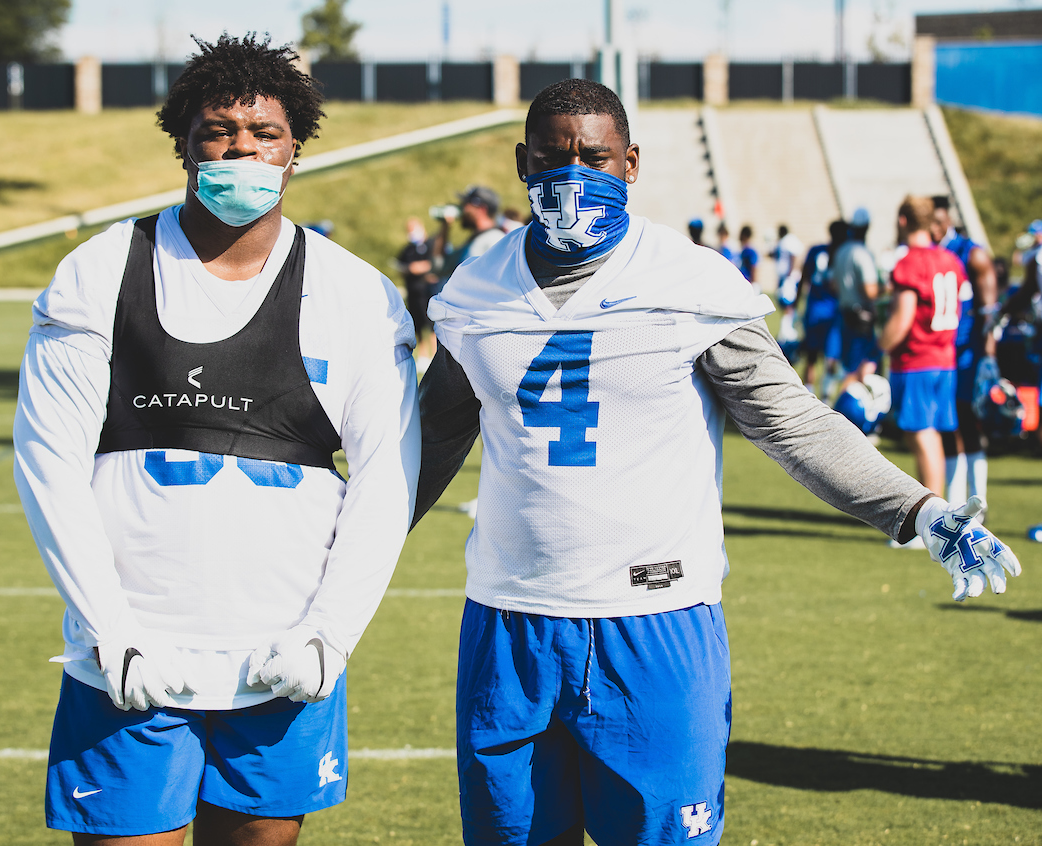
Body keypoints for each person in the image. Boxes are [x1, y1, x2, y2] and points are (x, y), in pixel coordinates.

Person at [413, 79, 1019, 846]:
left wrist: (917, 511)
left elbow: (791, 422)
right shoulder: (476, 288)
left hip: (654, 624)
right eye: (552, 157)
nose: (572, 175)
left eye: (594, 157)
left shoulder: (689, 281)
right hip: (509, 621)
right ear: (521, 163)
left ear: (630, 163)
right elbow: (430, 443)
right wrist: (331, 554)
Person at [13, 33, 420, 846]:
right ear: (183, 145)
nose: (242, 149)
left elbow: (386, 481)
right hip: (131, 659)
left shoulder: (357, 294)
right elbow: (48, 465)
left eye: (263, 133)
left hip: (283, 656)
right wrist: (108, 629)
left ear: (294, 148)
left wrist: (329, 633)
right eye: (217, 132)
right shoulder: (98, 272)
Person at [879, 196, 965, 543]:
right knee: (928, 437)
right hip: (944, 357)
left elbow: (903, 318)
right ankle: (931, 516)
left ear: (902, 220)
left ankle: (933, 523)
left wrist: (880, 344)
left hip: (918, 358)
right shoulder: (949, 259)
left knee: (922, 435)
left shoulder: (911, 262)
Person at [931, 197, 999, 509]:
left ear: (948, 220)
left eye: (938, 220)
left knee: (967, 421)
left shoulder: (970, 253)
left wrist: (988, 354)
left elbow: (989, 310)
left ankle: (977, 501)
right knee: (947, 424)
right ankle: (955, 502)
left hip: (966, 352)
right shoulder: (928, 253)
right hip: (939, 350)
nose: (933, 228)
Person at [799, 220, 848, 399]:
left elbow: (804, 277)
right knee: (831, 359)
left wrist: (798, 302)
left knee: (811, 358)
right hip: (833, 313)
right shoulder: (843, 254)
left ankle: (808, 397)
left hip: (814, 310)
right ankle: (825, 399)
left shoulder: (816, 250)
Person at [833, 207, 882, 386]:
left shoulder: (841, 251)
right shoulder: (862, 253)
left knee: (848, 367)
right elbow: (870, 291)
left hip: (845, 313)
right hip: (861, 317)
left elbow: (834, 284)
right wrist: (886, 289)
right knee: (859, 370)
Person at [432, 184, 506, 287]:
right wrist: (445, 227)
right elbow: (439, 267)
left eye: (465, 204)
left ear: (481, 210)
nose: (462, 209)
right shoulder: (473, 241)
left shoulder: (495, 240)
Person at [398, 216, 437, 367]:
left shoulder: (431, 244)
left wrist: (420, 267)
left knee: (431, 325)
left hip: (427, 292)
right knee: (418, 325)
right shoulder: (408, 249)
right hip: (413, 292)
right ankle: (422, 356)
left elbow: (436, 263)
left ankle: (434, 354)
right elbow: (402, 265)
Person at [772, 223, 804, 339]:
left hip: (788, 277)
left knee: (788, 304)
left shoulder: (788, 241)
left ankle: (788, 331)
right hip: (785, 277)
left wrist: (790, 273)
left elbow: (794, 256)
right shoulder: (783, 242)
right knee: (784, 303)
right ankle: (788, 329)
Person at [736, 224, 760, 293]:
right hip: (744, 282)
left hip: (749, 282)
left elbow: (754, 266)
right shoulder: (744, 250)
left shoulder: (750, 251)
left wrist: (754, 283)